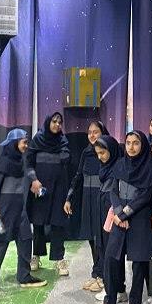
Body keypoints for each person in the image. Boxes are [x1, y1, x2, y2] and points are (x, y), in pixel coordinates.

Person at [92, 130, 152, 304]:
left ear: (142, 145)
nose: (131, 147)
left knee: (138, 262)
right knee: (111, 258)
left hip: (140, 218)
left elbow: (145, 195)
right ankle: (109, 300)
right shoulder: (120, 164)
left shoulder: (150, 166)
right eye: (128, 143)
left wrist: (125, 213)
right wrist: (120, 213)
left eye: (136, 143)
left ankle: (134, 303)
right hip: (119, 219)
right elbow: (113, 190)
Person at [0, 129, 47, 291]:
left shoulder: (23, 159)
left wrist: (35, 181)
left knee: (26, 240)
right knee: (0, 243)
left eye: (27, 142)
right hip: (3, 211)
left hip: (21, 211)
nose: (26, 145)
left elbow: (29, 171)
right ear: (14, 143)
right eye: (24, 142)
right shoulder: (4, 162)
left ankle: (24, 276)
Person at [64, 121, 109, 293]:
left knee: (102, 239)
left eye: (95, 132)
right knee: (91, 238)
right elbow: (78, 176)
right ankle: (96, 273)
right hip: (87, 200)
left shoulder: (109, 151)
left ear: (102, 133)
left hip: (103, 200)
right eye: (89, 132)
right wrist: (69, 198)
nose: (92, 135)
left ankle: (104, 276)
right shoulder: (86, 152)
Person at [25, 112, 71, 276]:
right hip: (40, 187)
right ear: (47, 122)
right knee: (38, 222)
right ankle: (36, 256)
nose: (57, 125)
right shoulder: (38, 139)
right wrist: (34, 180)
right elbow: (28, 163)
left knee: (58, 222)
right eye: (54, 121)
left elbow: (67, 159)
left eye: (59, 122)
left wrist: (65, 153)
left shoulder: (63, 141)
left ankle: (59, 259)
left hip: (58, 188)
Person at [93, 135, 128, 304]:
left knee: (113, 252)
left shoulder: (118, 166)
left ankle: (116, 289)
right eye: (97, 153)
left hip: (113, 209)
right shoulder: (105, 166)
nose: (100, 157)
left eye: (103, 153)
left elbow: (116, 191)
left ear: (112, 150)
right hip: (103, 207)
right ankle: (115, 288)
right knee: (105, 248)